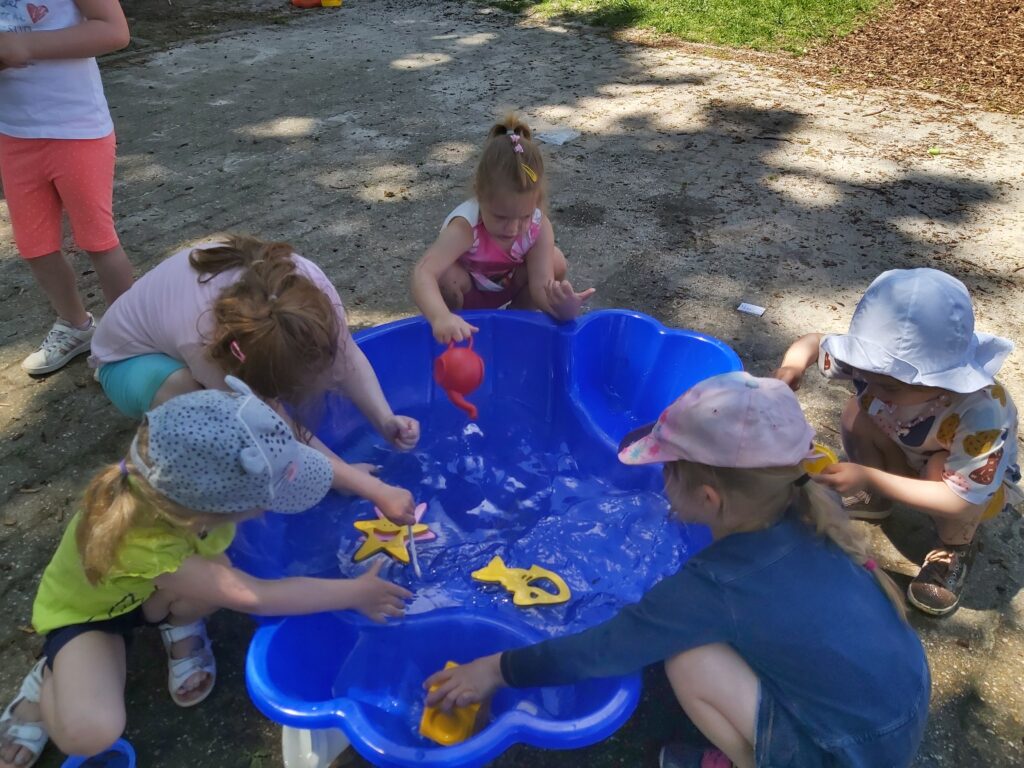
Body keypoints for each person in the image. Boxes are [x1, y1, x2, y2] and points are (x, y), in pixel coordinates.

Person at [424, 372, 930, 768]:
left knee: (688, 659)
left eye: (668, 471)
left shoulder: (714, 585)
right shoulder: (812, 512)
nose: (661, 481)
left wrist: (496, 669)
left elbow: (606, 648)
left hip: (849, 754)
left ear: (710, 499)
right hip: (896, 709)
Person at [0, 379, 412, 768]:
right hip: (90, 617)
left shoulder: (175, 485)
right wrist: (356, 592)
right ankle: (45, 683)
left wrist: (364, 485)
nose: (267, 510)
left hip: (153, 592)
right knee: (92, 732)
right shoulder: (138, 538)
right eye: (264, 502)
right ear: (211, 512)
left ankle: (178, 624)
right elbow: (256, 595)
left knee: (219, 573)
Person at [90, 235, 421, 524]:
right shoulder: (203, 341)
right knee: (193, 395)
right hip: (124, 361)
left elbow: (346, 355)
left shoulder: (308, 285)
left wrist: (385, 419)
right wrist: (355, 482)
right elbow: (267, 426)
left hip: (197, 333)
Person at [774, 268, 1021, 616]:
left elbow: (961, 500)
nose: (873, 389)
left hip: (969, 487)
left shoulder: (983, 412)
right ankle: (877, 500)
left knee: (939, 471)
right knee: (856, 411)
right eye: (865, 376)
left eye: (889, 386)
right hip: (906, 443)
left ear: (943, 380)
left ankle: (953, 548)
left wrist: (868, 475)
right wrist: (791, 368)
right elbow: (813, 342)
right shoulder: (875, 373)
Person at [0, 0, 134, 375]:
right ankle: (75, 325)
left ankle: (130, 336)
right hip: (14, 134)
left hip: (78, 131)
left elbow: (114, 30)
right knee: (35, 246)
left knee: (98, 241)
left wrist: (24, 46)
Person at [411, 114, 594, 344]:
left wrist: (564, 309)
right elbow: (423, 272)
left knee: (555, 261)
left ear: (536, 202)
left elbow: (540, 288)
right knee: (445, 276)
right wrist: (440, 317)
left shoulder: (538, 226)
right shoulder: (466, 226)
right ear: (479, 194)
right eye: (500, 217)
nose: (513, 228)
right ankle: (456, 331)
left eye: (525, 216)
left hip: (507, 285)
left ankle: (515, 323)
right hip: (467, 294)